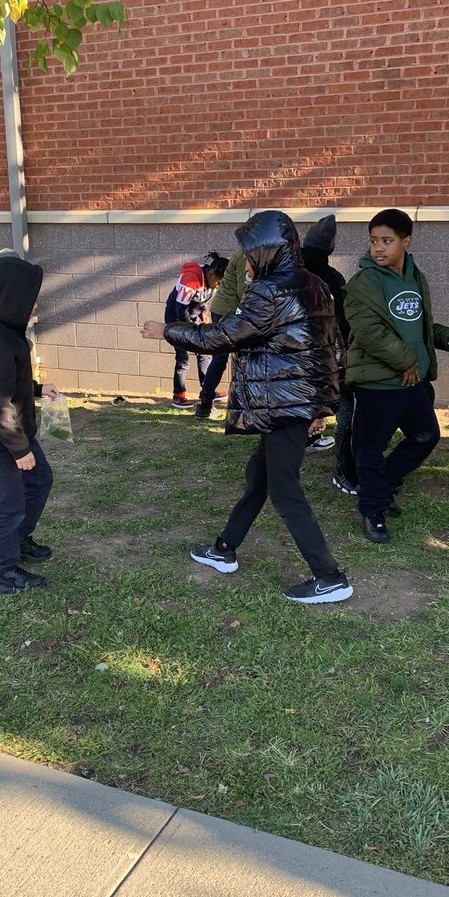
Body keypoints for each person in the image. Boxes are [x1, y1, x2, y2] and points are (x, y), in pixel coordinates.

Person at [143, 209, 352, 605]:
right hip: (294, 404)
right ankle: (224, 548)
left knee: (284, 490)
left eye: (251, 254)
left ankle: (329, 576)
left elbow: (225, 336)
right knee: (259, 477)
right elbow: (332, 348)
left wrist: (167, 330)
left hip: (282, 405)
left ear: (268, 250)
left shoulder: (269, 290)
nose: (247, 262)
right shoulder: (316, 285)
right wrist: (321, 407)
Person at [345, 208, 449, 545]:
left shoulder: (415, 277)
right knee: (369, 450)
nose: (378, 247)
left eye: (387, 240)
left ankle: (380, 486)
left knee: (425, 436)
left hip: (414, 382)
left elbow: (419, 325)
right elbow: (369, 332)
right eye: (373, 241)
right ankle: (372, 510)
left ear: (406, 242)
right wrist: (406, 360)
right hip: (378, 384)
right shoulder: (363, 283)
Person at [0, 253, 63, 595]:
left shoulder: (9, 333)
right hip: (1, 437)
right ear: (11, 297)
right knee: (8, 502)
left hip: (14, 432)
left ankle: (18, 540)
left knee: (40, 480)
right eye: (30, 298)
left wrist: (37, 389)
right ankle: (3, 572)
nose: (35, 304)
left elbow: (8, 382)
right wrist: (19, 449)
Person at [300, 215, 356, 489]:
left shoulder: (292, 274)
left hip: (299, 356)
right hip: (329, 354)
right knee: (346, 407)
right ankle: (344, 469)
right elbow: (344, 321)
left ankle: (302, 443)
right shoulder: (332, 278)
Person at [165, 253, 228, 409]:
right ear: (212, 274)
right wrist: (191, 332)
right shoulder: (191, 278)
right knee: (183, 358)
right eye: (219, 283)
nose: (218, 286)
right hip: (177, 318)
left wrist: (203, 314)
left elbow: (202, 299)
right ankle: (178, 395)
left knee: (205, 353)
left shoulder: (209, 280)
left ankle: (207, 390)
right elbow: (180, 308)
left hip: (193, 317)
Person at [194, 250, 240, 419]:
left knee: (221, 358)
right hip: (229, 313)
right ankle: (205, 404)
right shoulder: (246, 257)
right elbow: (244, 292)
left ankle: (205, 404)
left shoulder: (247, 253)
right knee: (222, 358)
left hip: (225, 311)